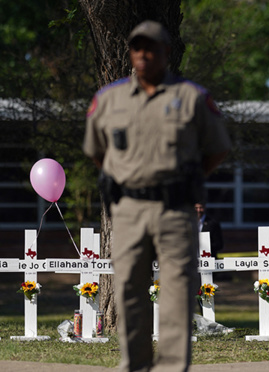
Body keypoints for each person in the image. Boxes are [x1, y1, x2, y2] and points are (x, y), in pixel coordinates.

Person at [83, 20, 231, 372]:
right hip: (129, 209)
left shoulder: (192, 97)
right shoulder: (109, 99)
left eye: (151, 48)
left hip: (176, 209)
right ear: (131, 53)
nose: (144, 54)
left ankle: (171, 368)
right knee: (130, 290)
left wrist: (182, 180)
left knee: (177, 293)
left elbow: (218, 149)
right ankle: (134, 365)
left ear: (167, 52)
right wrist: (128, 177)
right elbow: (96, 150)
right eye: (137, 48)